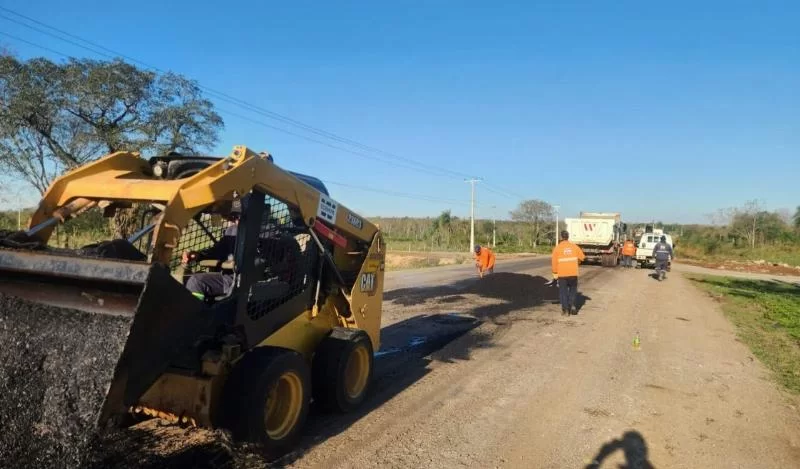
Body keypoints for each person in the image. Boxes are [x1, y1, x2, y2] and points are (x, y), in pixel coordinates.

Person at [183, 200, 242, 301]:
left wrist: (237, 263)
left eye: (236, 216)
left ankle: (195, 313)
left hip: (236, 279)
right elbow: (216, 251)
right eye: (233, 217)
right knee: (187, 277)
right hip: (225, 275)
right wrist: (199, 255)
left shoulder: (263, 231)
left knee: (196, 282)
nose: (233, 220)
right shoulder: (232, 230)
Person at [552, 230, 586, 315]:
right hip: (573, 273)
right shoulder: (574, 247)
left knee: (563, 292)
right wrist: (578, 262)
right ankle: (571, 306)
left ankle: (565, 310)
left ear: (561, 237)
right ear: (568, 237)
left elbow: (554, 262)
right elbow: (582, 257)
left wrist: (555, 273)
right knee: (573, 291)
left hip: (562, 274)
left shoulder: (557, 248)